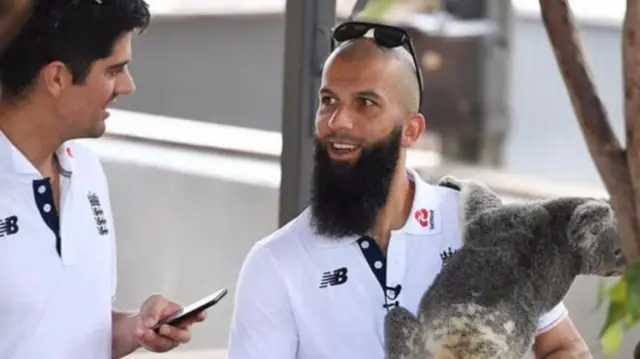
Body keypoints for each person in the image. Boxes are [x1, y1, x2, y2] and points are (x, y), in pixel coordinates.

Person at [227, 21, 592, 359]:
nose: (338, 121)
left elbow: (563, 346)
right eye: (328, 101)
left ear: (411, 130)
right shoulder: (274, 264)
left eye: (365, 103)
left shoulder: (480, 226)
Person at [0, 0, 207, 358]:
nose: (127, 86)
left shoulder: (87, 171)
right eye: (114, 71)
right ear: (57, 78)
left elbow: (65, 325)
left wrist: (136, 329)